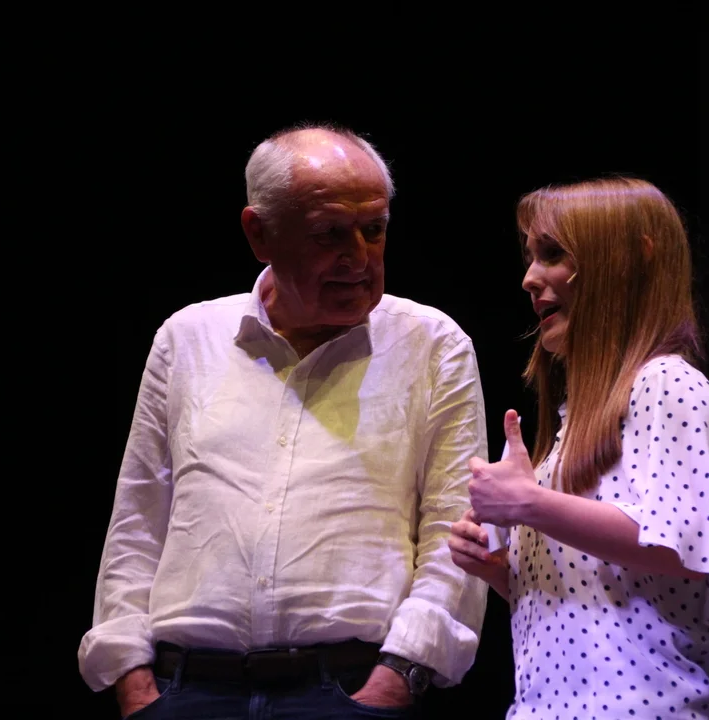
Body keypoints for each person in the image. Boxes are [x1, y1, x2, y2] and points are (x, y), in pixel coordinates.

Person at [78, 123, 489, 719]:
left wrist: (399, 676)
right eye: (329, 234)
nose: (359, 257)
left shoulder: (432, 344)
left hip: (349, 692)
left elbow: (457, 529)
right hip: (186, 690)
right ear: (260, 233)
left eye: (374, 229)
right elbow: (138, 520)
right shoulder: (187, 338)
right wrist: (133, 682)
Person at [448, 177, 709, 718]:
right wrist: (501, 568)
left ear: (631, 261)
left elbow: (679, 547)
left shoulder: (668, 385)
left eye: (553, 254)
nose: (529, 278)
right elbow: (599, 593)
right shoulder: (576, 424)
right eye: (530, 257)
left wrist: (529, 503)